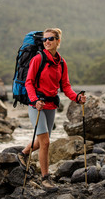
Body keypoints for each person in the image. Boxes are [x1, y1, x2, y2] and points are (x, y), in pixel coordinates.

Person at [17, 28, 86, 192]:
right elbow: (29, 83)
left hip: (51, 105)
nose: (47, 41)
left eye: (51, 38)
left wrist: (77, 98)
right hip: (37, 105)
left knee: (43, 140)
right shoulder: (37, 59)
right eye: (45, 39)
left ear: (58, 41)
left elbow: (66, 86)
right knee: (46, 142)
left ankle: (23, 154)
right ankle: (45, 178)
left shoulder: (61, 62)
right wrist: (34, 100)